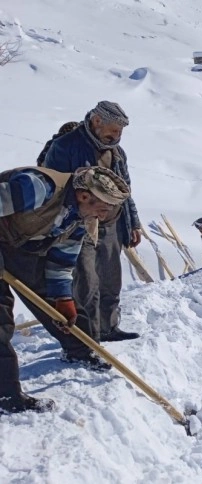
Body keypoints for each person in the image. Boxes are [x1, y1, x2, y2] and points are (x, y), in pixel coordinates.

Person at [0, 166, 131, 413]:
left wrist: (62, 298)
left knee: (54, 301)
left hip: (19, 247)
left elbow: (61, 263)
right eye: (102, 209)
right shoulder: (39, 188)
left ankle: (79, 350)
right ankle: (5, 396)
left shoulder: (80, 218)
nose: (102, 217)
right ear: (83, 196)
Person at [43, 100, 142, 342]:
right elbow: (53, 186)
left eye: (120, 132)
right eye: (113, 130)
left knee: (111, 280)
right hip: (79, 223)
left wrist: (134, 222)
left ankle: (109, 327)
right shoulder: (65, 146)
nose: (117, 136)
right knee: (86, 283)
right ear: (97, 122)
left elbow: (125, 189)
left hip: (112, 224)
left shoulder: (117, 152)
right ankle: (87, 337)